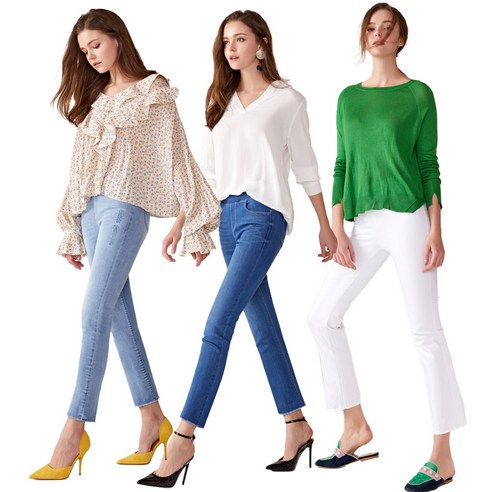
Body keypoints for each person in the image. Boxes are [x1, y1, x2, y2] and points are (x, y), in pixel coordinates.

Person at [137, 9, 337, 488]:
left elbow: (306, 166)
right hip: (226, 219)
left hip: (265, 217)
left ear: (261, 44)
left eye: (240, 39)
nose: (231, 48)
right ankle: (296, 424)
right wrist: (183, 223)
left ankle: (183, 438)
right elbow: (208, 174)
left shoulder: (288, 100)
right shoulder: (220, 100)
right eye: (226, 40)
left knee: (217, 324)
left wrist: (325, 226)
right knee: (262, 327)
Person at [29, 8, 220, 480]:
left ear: (117, 38)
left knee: (93, 312)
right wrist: (72, 228)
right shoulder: (95, 101)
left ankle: (73, 431)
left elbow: (179, 158)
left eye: (95, 44)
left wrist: (193, 224)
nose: (90, 56)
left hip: (126, 209)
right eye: (84, 50)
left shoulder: (154, 92)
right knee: (117, 315)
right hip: (93, 212)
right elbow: (79, 167)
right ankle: (153, 417)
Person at [308, 3, 466, 491]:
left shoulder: (418, 94)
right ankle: (355, 426)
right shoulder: (348, 98)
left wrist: (435, 229)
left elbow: (428, 163)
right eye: (370, 29)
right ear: (365, 38)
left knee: (425, 332)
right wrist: (338, 230)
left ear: (401, 39)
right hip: (363, 224)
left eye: (386, 29)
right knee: (321, 317)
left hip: (410, 219)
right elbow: (341, 164)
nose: (377, 35)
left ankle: (442, 455)